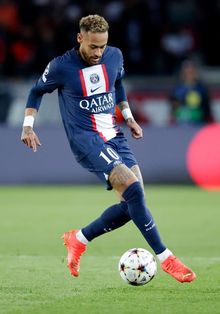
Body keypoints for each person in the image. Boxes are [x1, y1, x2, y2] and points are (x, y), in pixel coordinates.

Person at [21, 14, 196, 283]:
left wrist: (129, 117)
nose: (98, 52)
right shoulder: (60, 66)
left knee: (134, 204)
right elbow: (36, 91)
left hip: (114, 136)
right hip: (86, 139)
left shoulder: (114, 56)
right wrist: (28, 125)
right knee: (134, 190)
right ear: (80, 38)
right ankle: (166, 258)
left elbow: (118, 84)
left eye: (102, 46)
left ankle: (78, 238)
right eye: (93, 46)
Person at [170, 60, 212, 125]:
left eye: (192, 72)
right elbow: (174, 110)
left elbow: (207, 111)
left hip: (199, 124)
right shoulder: (177, 90)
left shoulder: (202, 90)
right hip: (181, 124)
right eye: (187, 72)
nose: (189, 75)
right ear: (183, 73)